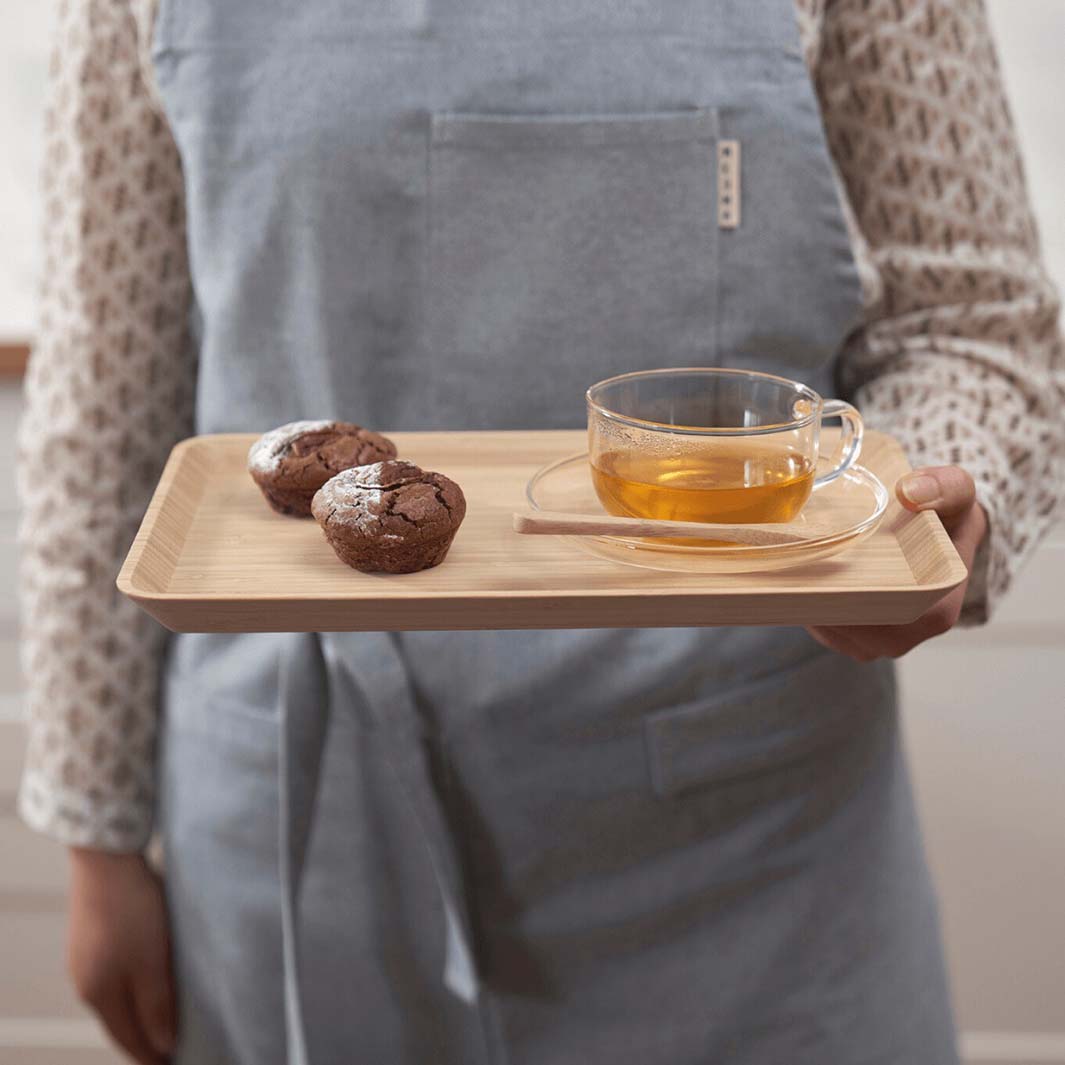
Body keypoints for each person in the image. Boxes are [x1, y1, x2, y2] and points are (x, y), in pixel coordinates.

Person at [17, 0, 1065, 1062]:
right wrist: (97, 841)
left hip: (747, 841)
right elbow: (101, 415)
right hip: (301, 826)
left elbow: (977, 327)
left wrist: (921, 521)